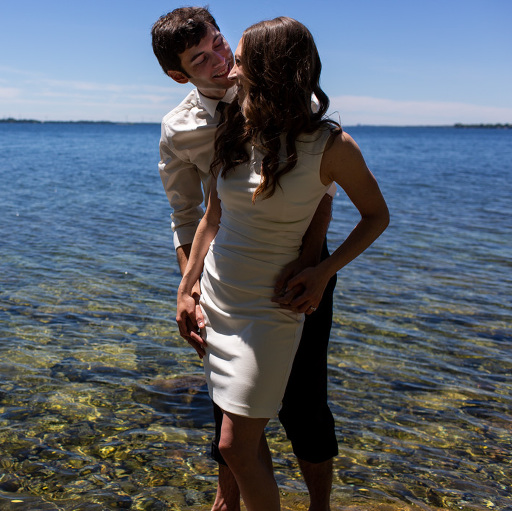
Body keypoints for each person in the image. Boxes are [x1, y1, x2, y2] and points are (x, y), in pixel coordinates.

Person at [176, 16, 389, 511]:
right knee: (236, 441)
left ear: (271, 70)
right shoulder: (235, 126)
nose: (231, 62)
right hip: (220, 294)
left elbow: (376, 216)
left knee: (237, 443)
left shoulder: (330, 145)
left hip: (273, 305)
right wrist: (187, 288)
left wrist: (323, 269)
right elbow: (210, 217)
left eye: (242, 56)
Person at [152, 7, 338, 510]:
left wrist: (311, 268)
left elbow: (323, 192)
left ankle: (320, 504)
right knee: (227, 404)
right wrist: (188, 292)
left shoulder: (271, 82)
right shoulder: (179, 129)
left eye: (218, 42)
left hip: (297, 269)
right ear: (178, 74)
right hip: (223, 279)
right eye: (200, 58)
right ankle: (227, 499)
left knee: (303, 403)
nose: (219, 59)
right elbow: (187, 215)